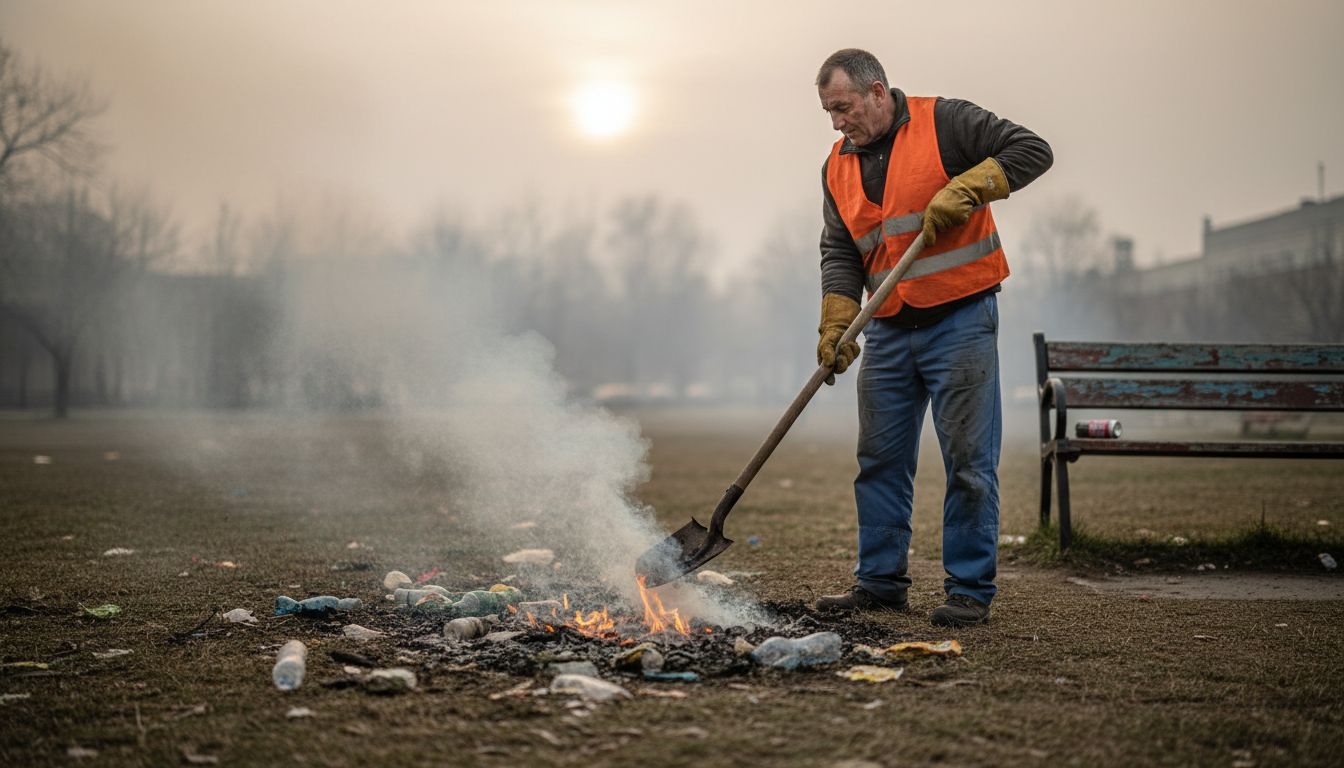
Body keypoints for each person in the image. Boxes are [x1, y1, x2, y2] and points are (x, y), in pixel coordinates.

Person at [812, 48, 1052, 627]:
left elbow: (1033, 150)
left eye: (843, 107)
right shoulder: (836, 166)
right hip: (890, 327)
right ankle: (880, 583)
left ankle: (969, 590)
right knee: (879, 461)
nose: (837, 121)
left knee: (969, 461)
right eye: (828, 112)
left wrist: (972, 186)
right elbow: (840, 250)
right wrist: (838, 322)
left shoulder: (945, 121)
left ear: (877, 91)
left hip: (961, 320)